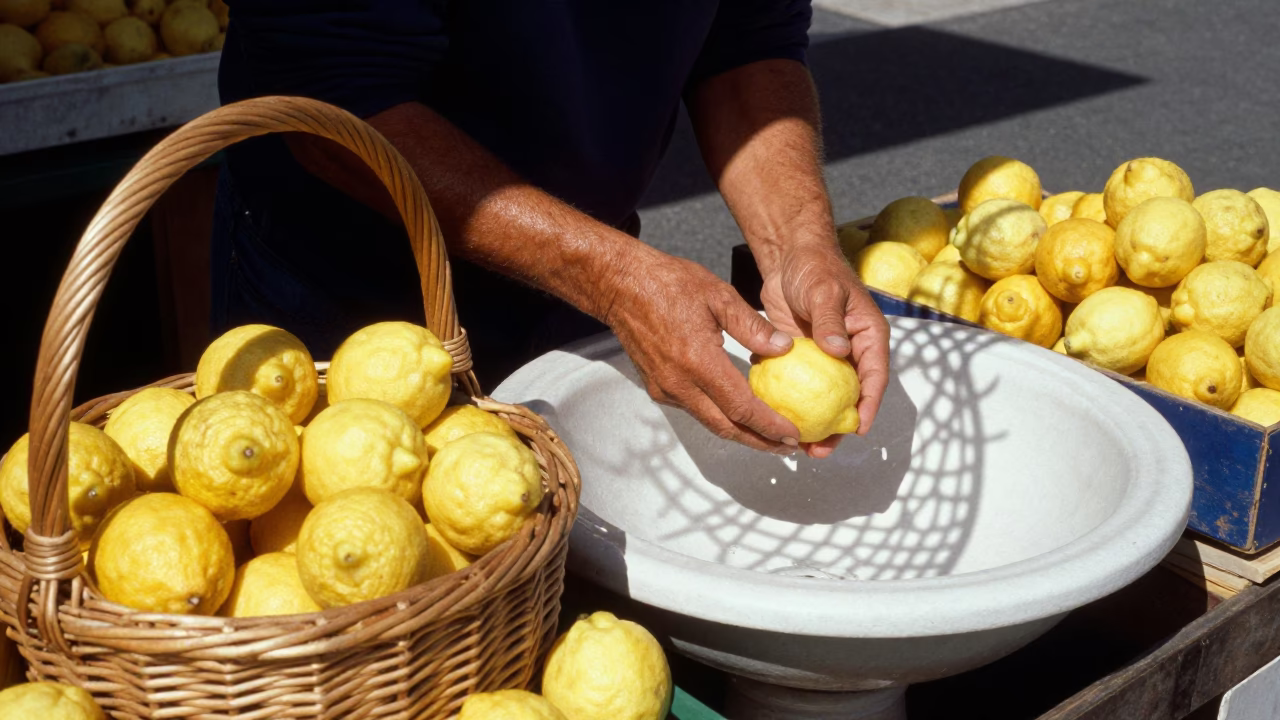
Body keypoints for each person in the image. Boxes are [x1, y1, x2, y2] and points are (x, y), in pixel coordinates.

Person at [211, 0, 889, 458]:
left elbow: (747, 44)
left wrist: (798, 245)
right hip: (348, 287)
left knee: (552, 551)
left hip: (583, 277)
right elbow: (336, 102)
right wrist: (613, 276)